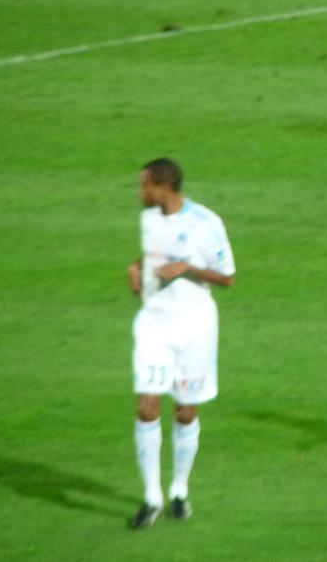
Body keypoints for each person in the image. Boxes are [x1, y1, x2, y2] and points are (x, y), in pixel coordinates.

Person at [126, 157, 236, 528]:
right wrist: (138, 269)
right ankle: (151, 497)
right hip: (155, 323)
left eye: (146, 186)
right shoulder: (150, 218)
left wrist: (186, 269)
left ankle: (179, 491)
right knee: (146, 406)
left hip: (195, 326)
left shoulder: (206, 224)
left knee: (186, 411)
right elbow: (154, 254)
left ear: (164, 186)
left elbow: (228, 278)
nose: (141, 193)